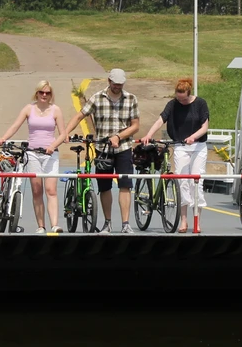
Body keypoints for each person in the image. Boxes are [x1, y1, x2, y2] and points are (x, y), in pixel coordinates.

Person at [52, 68, 140, 233]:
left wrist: (118, 137)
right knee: (105, 187)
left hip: (123, 148)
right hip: (102, 149)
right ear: (109, 81)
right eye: (115, 84)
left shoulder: (131, 99)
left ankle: (126, 223)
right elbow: (80, 116)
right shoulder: (97, 98)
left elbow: (135, 125)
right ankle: (107, 223)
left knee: (125, 186)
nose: (117, 87)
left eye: (120, 84)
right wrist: (65, 134)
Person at [141, 78, 210, 233]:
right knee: (182, 182)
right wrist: (149, 134)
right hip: (180, 145)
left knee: (196, 182)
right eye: (179, 98)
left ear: (189, 94)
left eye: (184, 99)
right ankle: (183, 221)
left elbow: (205, 126)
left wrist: (193, 136)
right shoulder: (173, 104)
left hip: (198, 146)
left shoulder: (200, 104)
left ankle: (197, 221)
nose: (181, 101)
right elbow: (161, 119)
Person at [0, 80, 66, 233]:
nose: (44, 95)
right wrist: (3, 138)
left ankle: (54, 224)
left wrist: (52, 146)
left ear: (51, 95)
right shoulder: (29, 108)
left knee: (51, 190)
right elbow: (15, 125)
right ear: (37, 93)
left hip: (50, 154)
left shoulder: (56, 110)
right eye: (41, 92)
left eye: (47, 93)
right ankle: (41, 225)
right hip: (32, 153)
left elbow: (63, 134)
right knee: (36, 190)